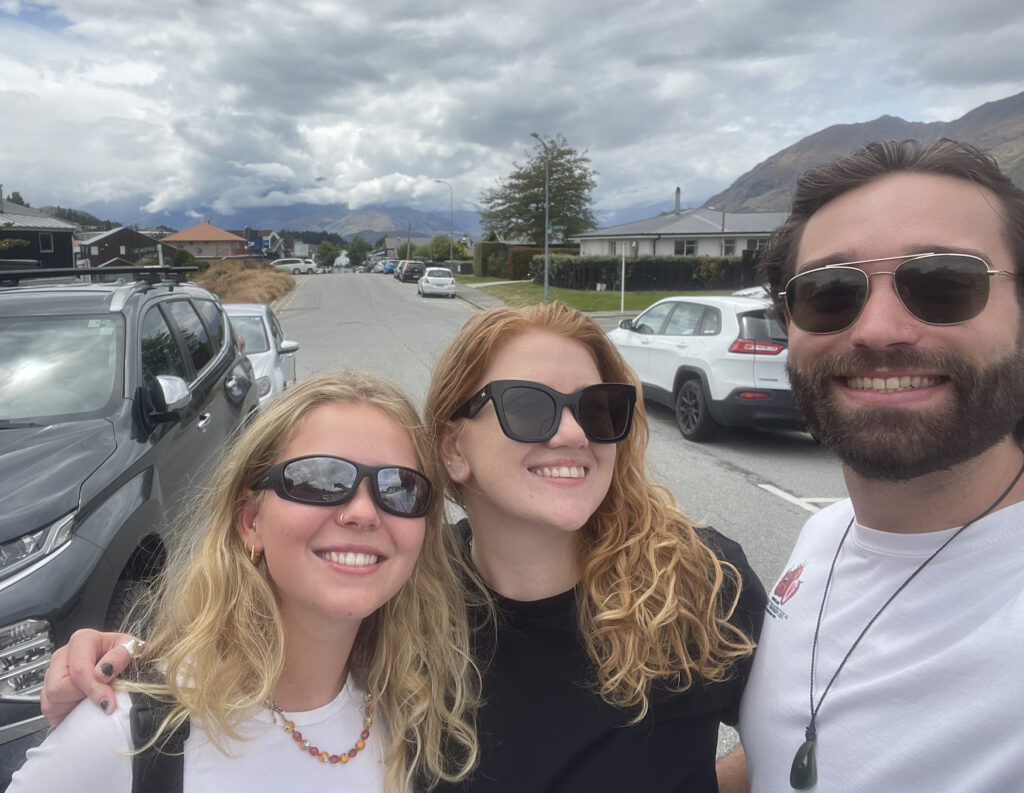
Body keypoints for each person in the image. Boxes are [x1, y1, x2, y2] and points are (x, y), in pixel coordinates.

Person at [719, 139, 1024, 793]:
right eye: (831, 293)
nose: (879, 329)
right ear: (790, 328)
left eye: (944, 284)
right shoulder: (824, 535)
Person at [13, 373, 479, 792]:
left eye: (400, 487)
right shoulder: (128, 730)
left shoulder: (414, 714)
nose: (362, 512)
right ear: (252, 520)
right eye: (319, 480)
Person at [422, 302, 765, 792]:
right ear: (453, 446)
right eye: (528, 406)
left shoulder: (699, 581)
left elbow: (801, 738)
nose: (575, 433)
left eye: (597, 407)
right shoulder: (409, 602)